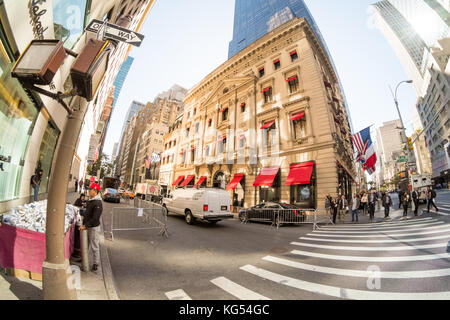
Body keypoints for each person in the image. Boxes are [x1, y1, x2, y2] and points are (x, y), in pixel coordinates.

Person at [79, 183, 103, 272]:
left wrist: (85, 225)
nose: (89, 191)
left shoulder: (97, 202)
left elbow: (95, 218)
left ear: (95, 191)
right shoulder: (91, 200)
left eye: (90, 190)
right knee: (86, 244)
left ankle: (96, 263)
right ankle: (84, 260)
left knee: (94, 245)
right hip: (87, 226)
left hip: (93, 227)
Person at [72, 194, 87, 261]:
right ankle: (76, 251)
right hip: (78, 221)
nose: (83, 198)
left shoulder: (86, 201)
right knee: (77, 236)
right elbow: (75, 206)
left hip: (81, 222)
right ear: (81, 197)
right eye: (82, 197)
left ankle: (77, 252)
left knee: (78, 237)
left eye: (84, 197)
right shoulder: (78, 200)